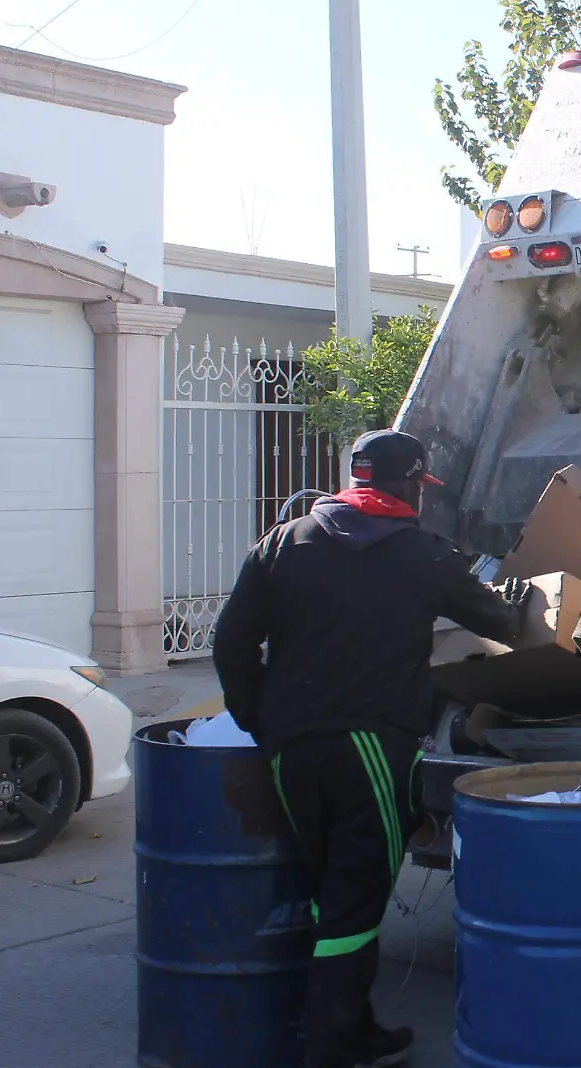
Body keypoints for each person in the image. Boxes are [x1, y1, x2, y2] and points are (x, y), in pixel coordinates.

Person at [212, 429, 527, 1068]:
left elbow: (230, 642)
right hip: (372, 751)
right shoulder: (424, 555)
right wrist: (523, 600)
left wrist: (260, 720)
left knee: (331, 887)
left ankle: (356, 1029)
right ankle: (333, 1048)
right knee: (354, 902)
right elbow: (501, 624)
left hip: (292, 749)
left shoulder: (285, 542)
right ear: (410, 484)